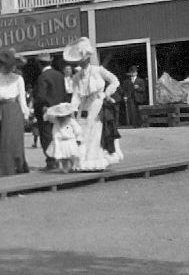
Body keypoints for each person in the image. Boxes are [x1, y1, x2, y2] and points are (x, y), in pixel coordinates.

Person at [62, 37, 123, 171]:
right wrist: (72, 109)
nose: (83, 63)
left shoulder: (98, 70)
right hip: (84, 104)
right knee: (82, 129)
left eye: (84, 60)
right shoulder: (77, 76)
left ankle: (97, 159)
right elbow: (76, 95)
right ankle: (83, 161)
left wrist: (106, 93)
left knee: (96, 128)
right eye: (80, 61)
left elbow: (114, 81)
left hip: (97, 102)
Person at [0, 48, 31, 177]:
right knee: (1, 141)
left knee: (14, 142)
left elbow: (22, 100)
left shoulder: (18, 79)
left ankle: (17, 169)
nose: (9, 67)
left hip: (14, 111)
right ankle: (0, 171)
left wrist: (25, 115)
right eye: (5, 64)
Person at [33, 59, 67, 170]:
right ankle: (61, 159)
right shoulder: (60, 75)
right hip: (60, 109)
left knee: (47, 135)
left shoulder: (42, 77)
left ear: (39, 64)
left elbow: (41, 96)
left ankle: (51, 161)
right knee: (59, 134)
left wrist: (38, 107)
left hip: (47, 110)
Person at [44, 103, 82, 173]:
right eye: (59, 116)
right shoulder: (55, 121)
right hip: (59, 141)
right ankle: (62, 167)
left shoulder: (71, 121)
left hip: (70, 140)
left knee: (72, 155)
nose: (61, 118)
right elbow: (46, 118)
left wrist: (78, 137)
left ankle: (74, 166)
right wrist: (47, 111)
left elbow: (78, 129)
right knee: (61, 157)